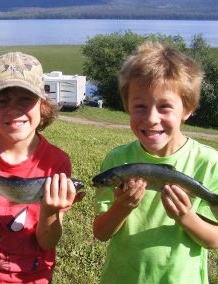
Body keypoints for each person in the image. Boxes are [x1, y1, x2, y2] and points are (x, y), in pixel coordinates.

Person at [93, 41, 218, 284]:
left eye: (164, 107)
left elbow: (213, 241)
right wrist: (123, 207)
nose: (151, 119)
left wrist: (186, 217)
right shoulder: (116, 160)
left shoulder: (209, 162)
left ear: (187, 109)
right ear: (127, 107)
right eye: (140, 106)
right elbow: (101, 233)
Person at [0, 52, 79, 283]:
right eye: (2, 101)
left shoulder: (56, 162)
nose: (13, 109)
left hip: (32, 277)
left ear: (42, 105)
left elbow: (48, 242)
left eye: (25, 99)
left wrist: (50, 211)